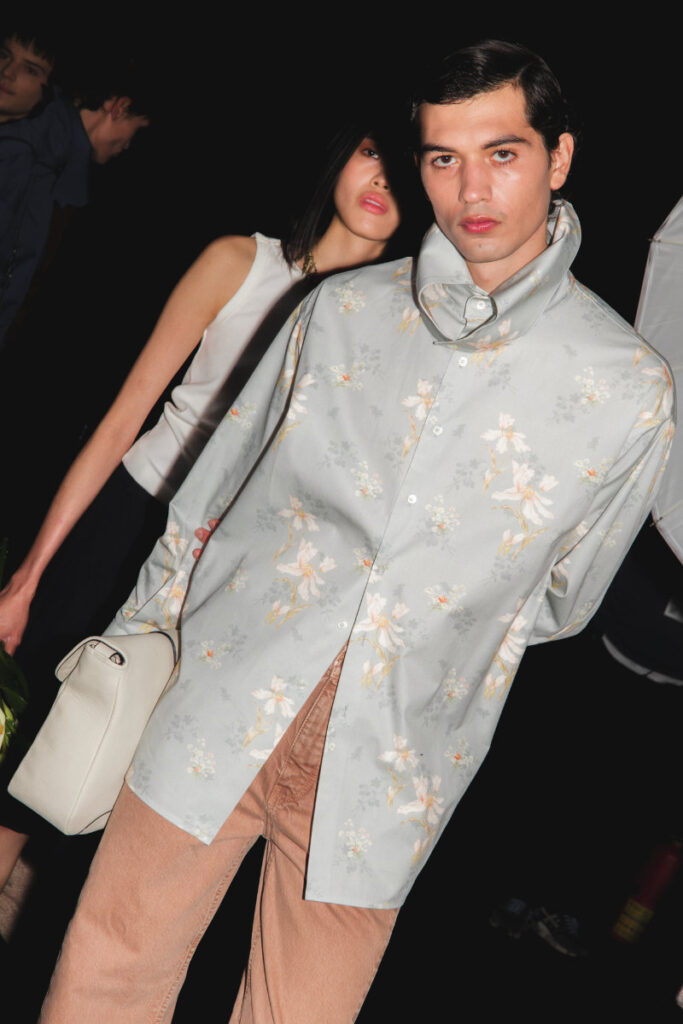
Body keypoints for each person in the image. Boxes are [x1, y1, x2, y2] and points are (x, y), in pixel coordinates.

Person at [38, 41, 673, 1023]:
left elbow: (564, 597)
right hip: (218, 692)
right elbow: (206, 497)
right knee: (108, 965)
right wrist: (136, 649)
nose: (470, 188)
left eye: (501, 154)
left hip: (393, 752)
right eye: (441, 157)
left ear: (559, 157)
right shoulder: (336, 312)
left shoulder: (625, 388)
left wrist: (424, 626)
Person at [0, 124, 420, 896]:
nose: (380, 181)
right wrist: (28, 576)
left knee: (137, 758)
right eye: (371, 153)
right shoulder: (241, 262)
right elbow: (124, 418)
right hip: (133, 515)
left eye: (404, 171)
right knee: (45, 724)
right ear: (342, 155)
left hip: (234, 568)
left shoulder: (392, 335)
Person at [0, 24, 150, 348]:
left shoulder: (54, 152)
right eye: (134, 134)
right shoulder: (32, 150)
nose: (126, 147)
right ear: (120, 107)